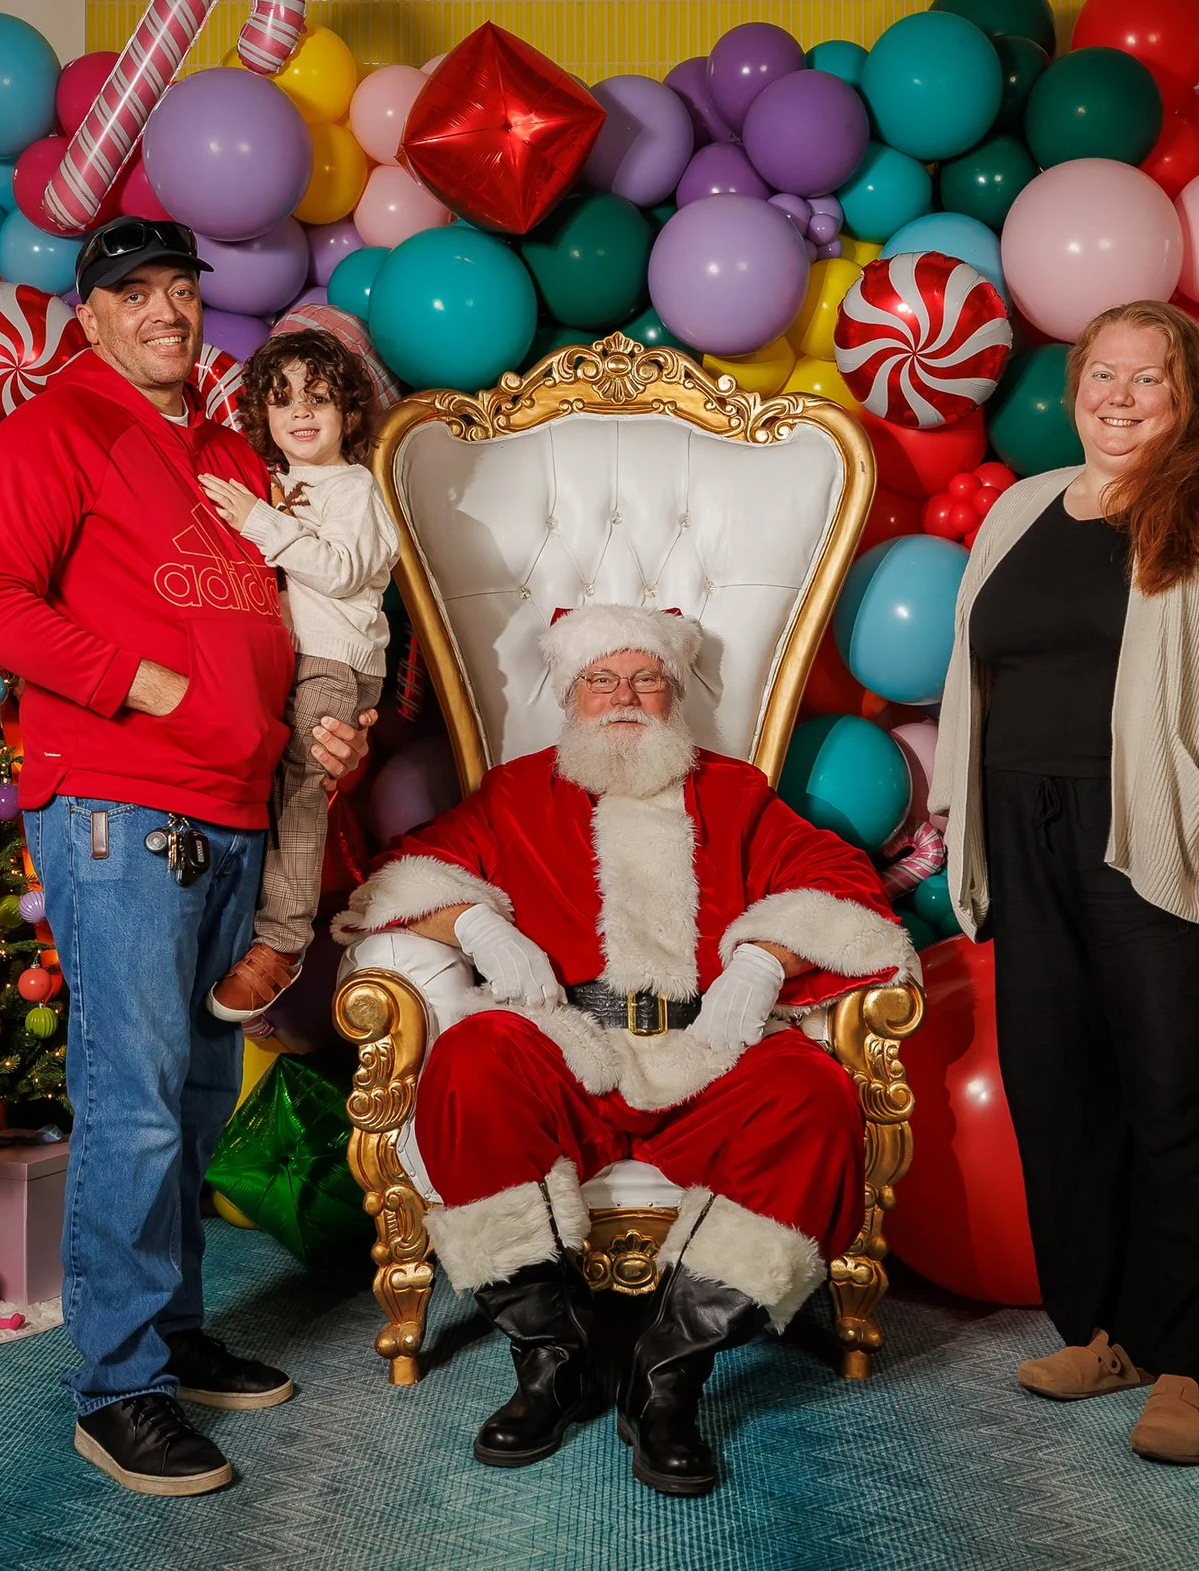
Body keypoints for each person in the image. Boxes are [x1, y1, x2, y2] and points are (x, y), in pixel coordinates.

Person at [0, 215, 372, 1498]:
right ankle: (116, 1385)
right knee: (133, 1102)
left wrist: (325, 724)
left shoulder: (220, 450)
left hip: (236, 809)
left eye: (180, 290)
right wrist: (138, 679)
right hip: (120, 807)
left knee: (191, 1098)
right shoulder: (55, 430)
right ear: (89, 318)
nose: (164, 311)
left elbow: (293, 606)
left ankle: (172, 1331)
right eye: (132, 294)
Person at [332, 604, 917, 1498]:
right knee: (473, 1057)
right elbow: (398, 878)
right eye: (602, 679)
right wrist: (476, 922)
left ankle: (667, 1375)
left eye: (646, 679)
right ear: (570, 695)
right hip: (569, 1047)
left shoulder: (732, 791)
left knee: (814, 1091)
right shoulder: (521, 791)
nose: (624, 698)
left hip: (705, 1051)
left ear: (674, 696)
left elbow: (844, 884)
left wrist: (762, 960)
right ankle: (551, 1361)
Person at [928, 299, 1199, 1467]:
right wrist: (967, 825)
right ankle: (1102, 1329)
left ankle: (1187, 1367)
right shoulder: (1017, 509)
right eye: (1099, 376)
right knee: (1058, 1092)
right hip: (1026, 828)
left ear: (1188, 397)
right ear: (1073, 392)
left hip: (1169, 831)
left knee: (1180, 1103)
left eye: (1146, 380)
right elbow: (977, 674)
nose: (1118, 398)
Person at [199, 330, 399, 1027]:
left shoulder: (354, 487)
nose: (301, 413)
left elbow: (342, 570)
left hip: (333, 662)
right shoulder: (276, 482)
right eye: (283, 400)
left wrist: (261, 521)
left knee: (300, 786)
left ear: (347, 410)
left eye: (318, 397)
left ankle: (283, 942)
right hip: (286, 657)